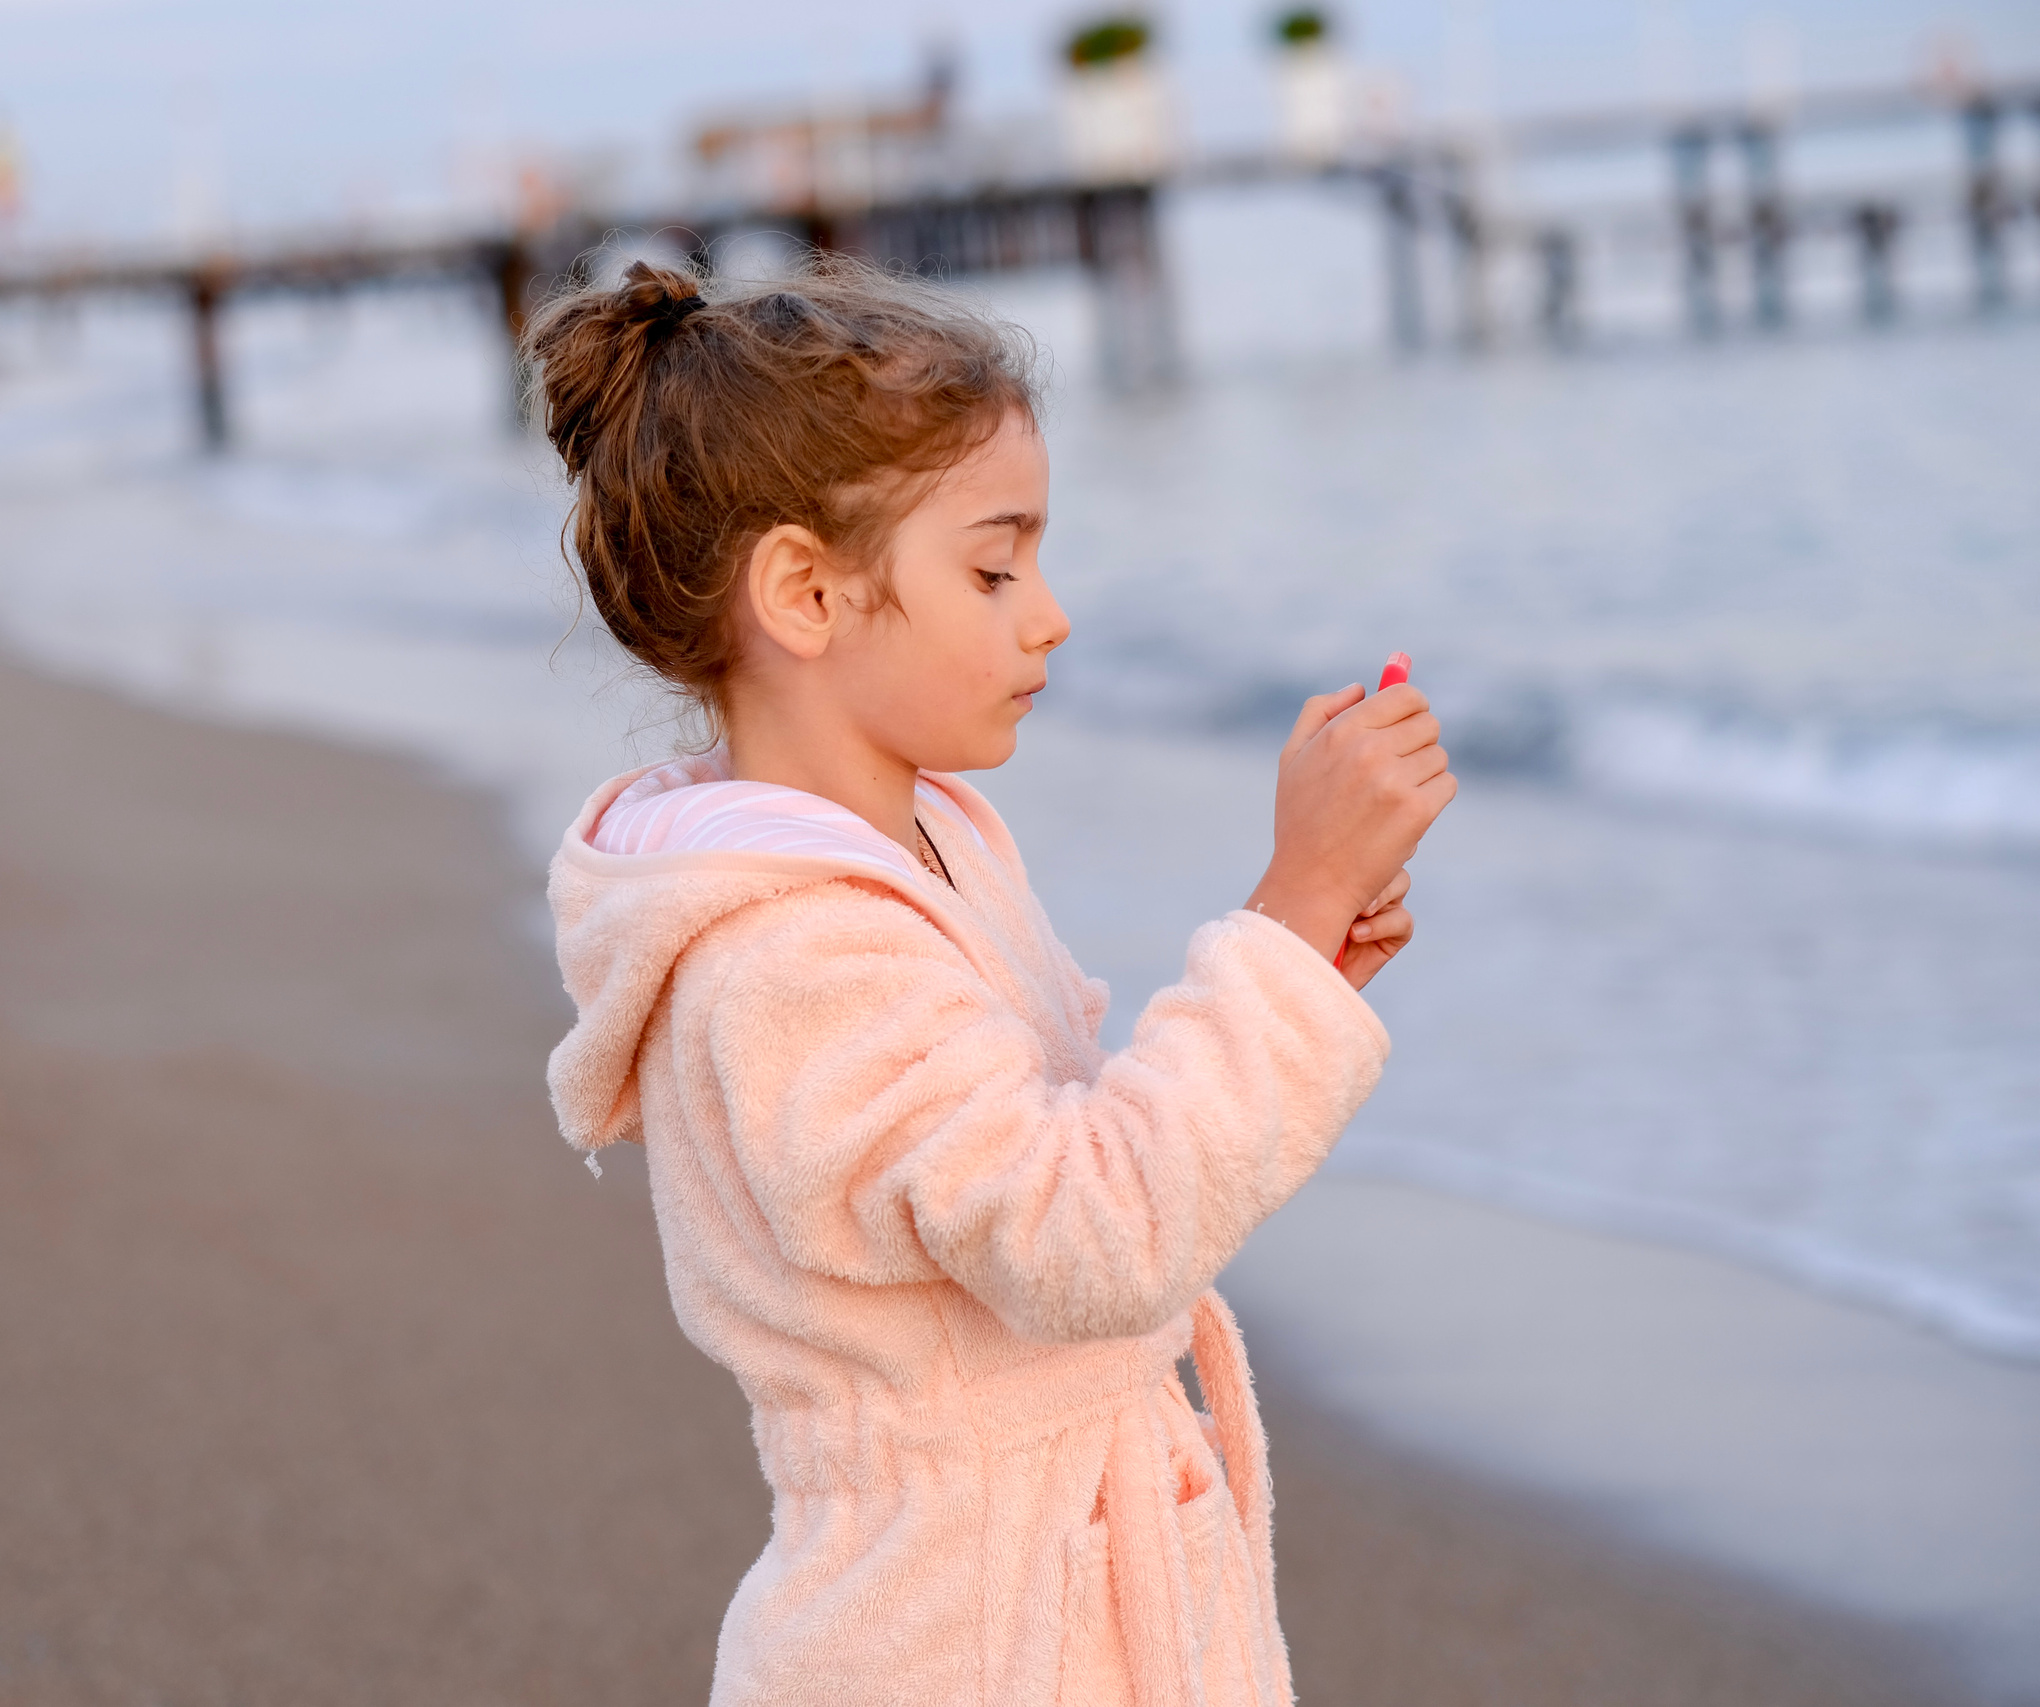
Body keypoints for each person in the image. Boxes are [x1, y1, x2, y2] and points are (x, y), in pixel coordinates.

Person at [530, 258, 1455, 1707]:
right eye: (993, 565)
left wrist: (1306, 966)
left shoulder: (928, 840)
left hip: (1059, 1593)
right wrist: (1284, 912)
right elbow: (1090, 1234)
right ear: (805, 589)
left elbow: (1052, 1146)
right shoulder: (787, 953)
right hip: (960, 1635)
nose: (1050, 614)